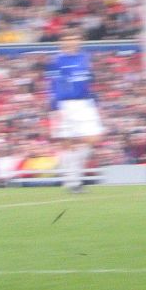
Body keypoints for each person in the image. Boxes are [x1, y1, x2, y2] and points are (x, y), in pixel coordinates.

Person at [46, 30, 103, 192]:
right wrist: (56, 106)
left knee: (93, 138)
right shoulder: (56, 61)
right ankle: (73, 182)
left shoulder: (85, 57)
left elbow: (89, 80)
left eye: (76, 38)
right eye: (69, 39)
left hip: (85, 104)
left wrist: (94, 98)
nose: (72, 42)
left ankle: (71, 177)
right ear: (62, 42)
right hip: (66, 104)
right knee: (69, 144)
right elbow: (53, 84)